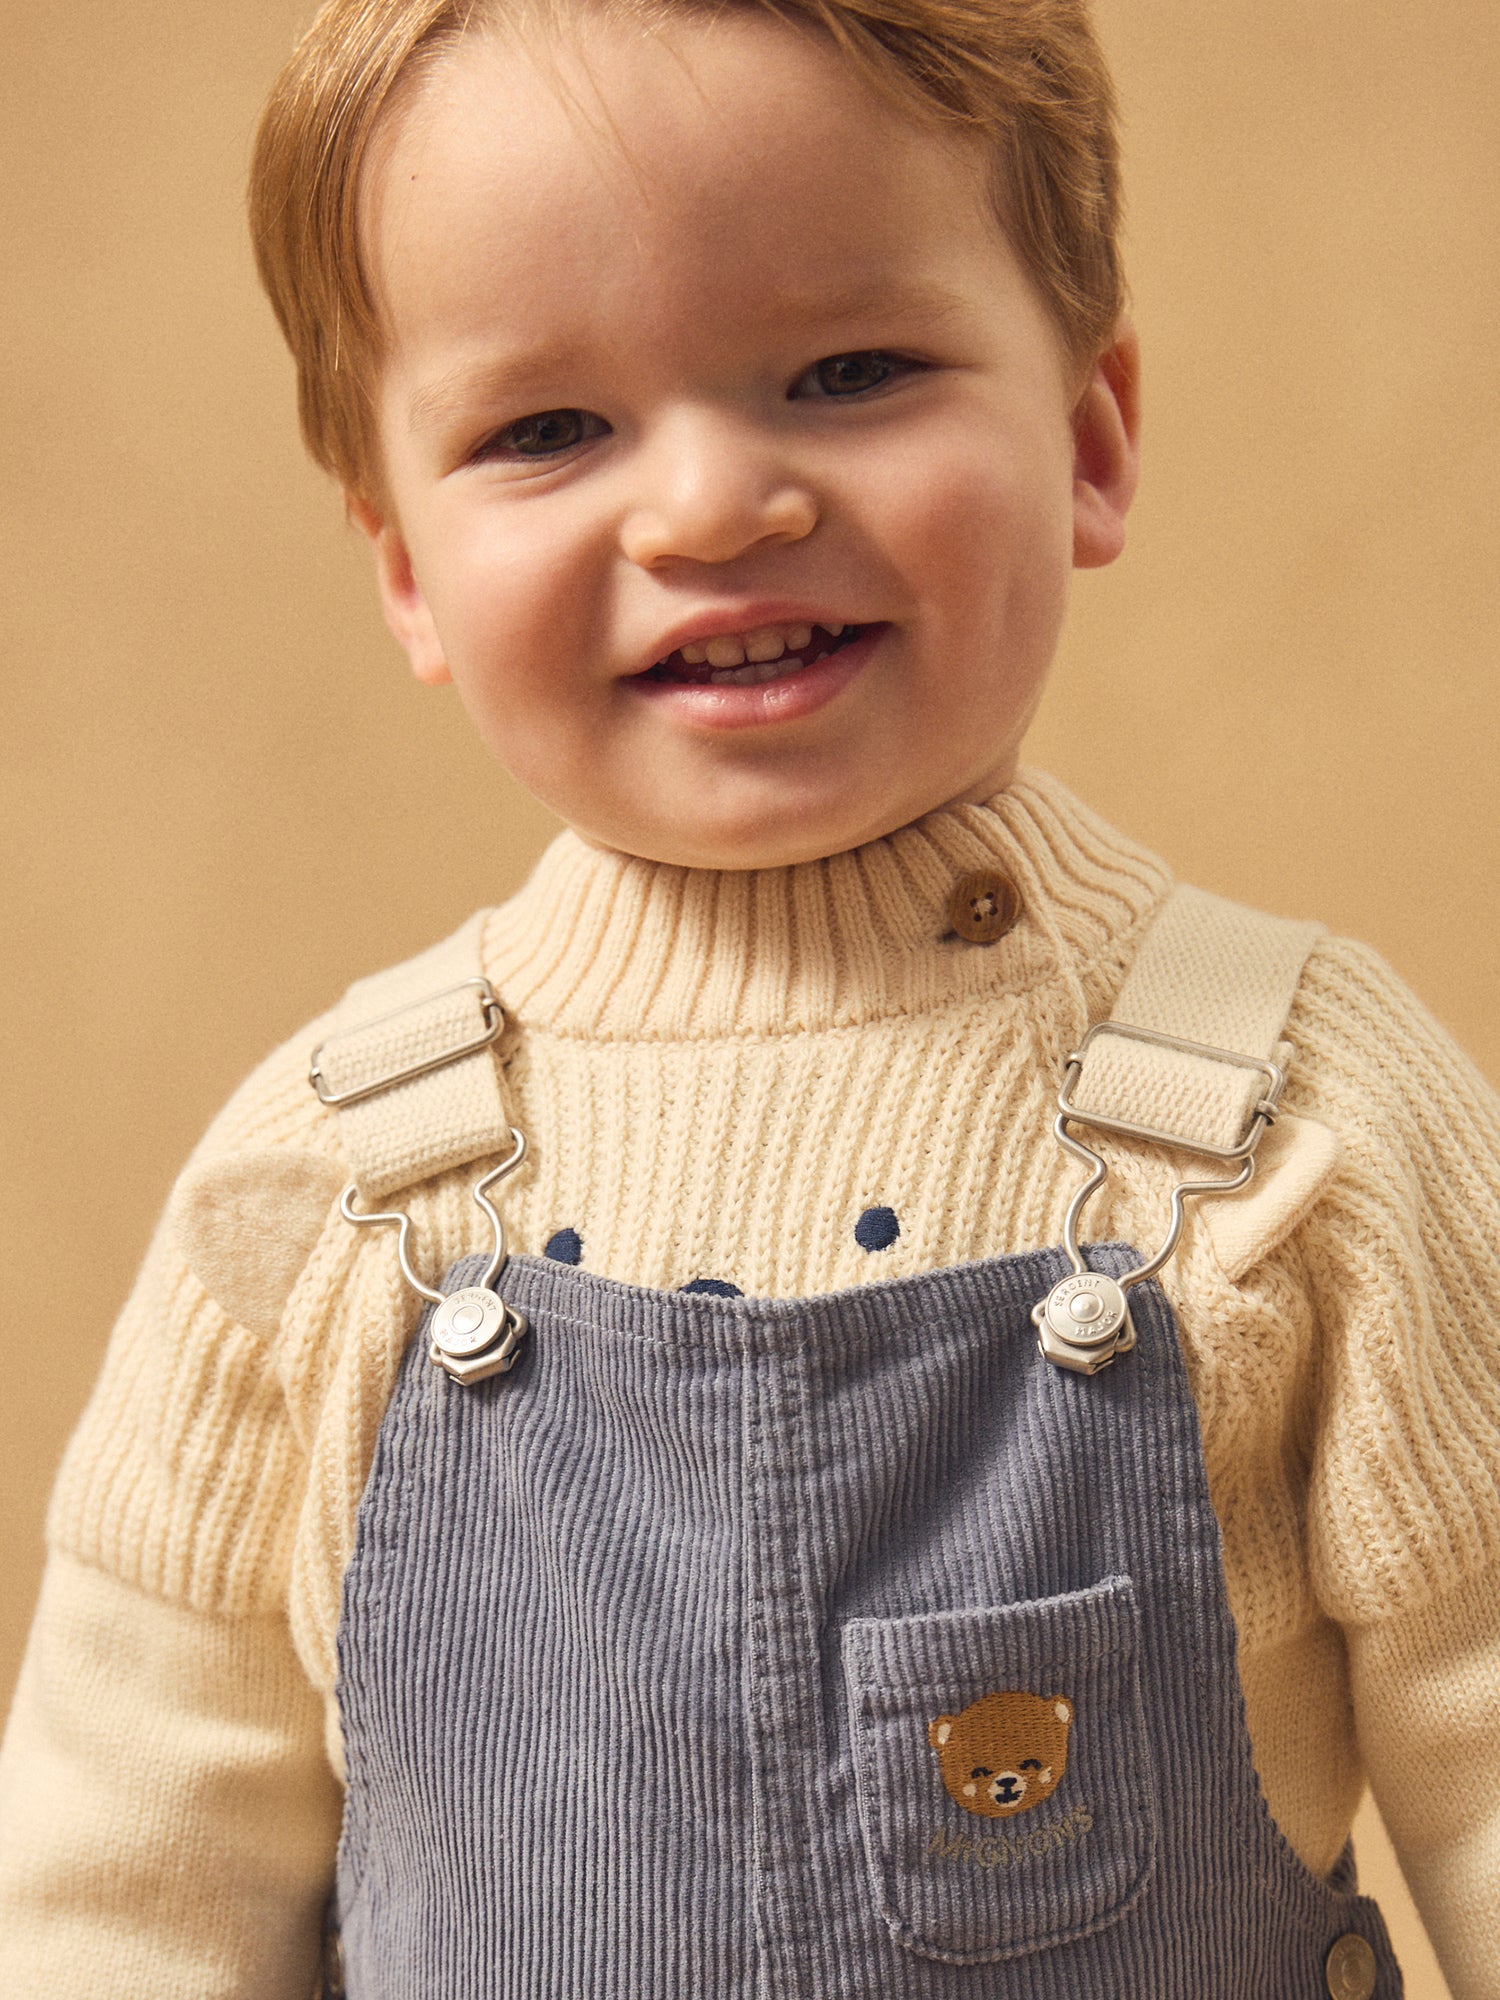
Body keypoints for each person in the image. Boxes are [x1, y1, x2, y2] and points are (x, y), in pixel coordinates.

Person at [0, 0, 1495, 1992]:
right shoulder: (325, 1190)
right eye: (546, 429)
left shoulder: (1294, 1124)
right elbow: (121, 1882)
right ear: (408, 571)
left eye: (851, 369)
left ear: (1092, 439)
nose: (709, 506)